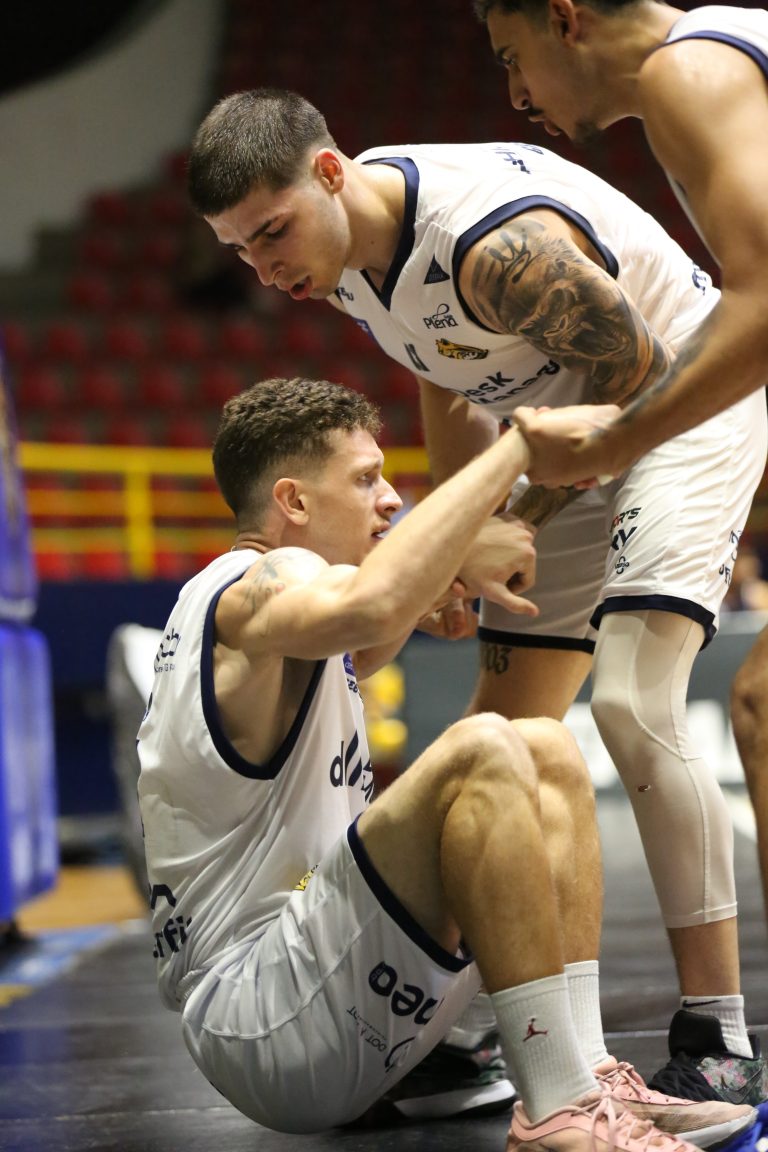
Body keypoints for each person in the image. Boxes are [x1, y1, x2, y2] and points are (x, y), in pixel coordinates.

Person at [185, 88, 768, 1104]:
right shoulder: (346, 263)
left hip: (680, 400)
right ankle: (466, 1025)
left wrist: (507, 523)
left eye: (271, 233)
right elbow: (445, 376)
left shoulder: (489, 245)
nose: (266, 270)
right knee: (499, 744)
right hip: (564, 434)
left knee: (632, 703)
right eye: (240, 251)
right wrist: (463, 545)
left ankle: (717, 1034)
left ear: (331, 173)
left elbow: (640, 391)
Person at [136, 375, 755, 1151]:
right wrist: (518, 449)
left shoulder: (276, 620)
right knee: (481, 748)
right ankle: (555, 1112)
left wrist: (477, 552)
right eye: (365, 479)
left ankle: (584, 1074)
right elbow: (371, 606)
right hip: (260, 1017)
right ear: (292, 501)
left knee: (544, 743)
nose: (390, 499)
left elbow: (379, 615)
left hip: (323, 992)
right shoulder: (253, 583)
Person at [471, 0, 768, 1101]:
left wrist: (618, 437)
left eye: (515, 59)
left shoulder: (692, 71)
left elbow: (763, 301)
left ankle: (720, 1032)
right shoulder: (725, 54)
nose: (515, 95)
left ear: (566, 17)